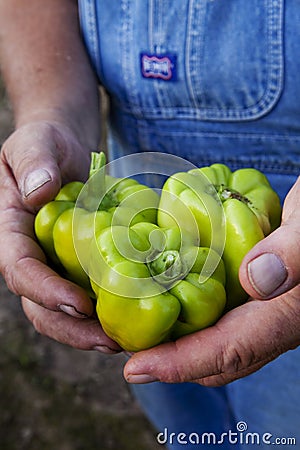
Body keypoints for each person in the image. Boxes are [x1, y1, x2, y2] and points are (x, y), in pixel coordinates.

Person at [0, 1, 299, 448]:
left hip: (289, 234)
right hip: (135, 189)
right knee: (186, 427)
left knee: (280, 431)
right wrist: (51, 110)